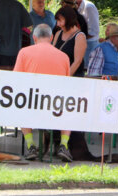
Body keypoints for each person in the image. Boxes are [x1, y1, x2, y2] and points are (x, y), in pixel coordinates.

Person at [14, 24, 73, 162]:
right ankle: (64, 144)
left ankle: (30, 145)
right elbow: (67, 84)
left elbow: (15, 80)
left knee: (20, 103)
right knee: (70, 105)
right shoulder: (64, 57)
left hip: (32, 105)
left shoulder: (24, 52)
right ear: (52, 38)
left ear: (34, 37)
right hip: (56, 107)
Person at [52, 6, 87, 77]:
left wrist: (66, 77)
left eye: (60, 21)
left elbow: (77, 61)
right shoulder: (58, 33)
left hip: (73, 77)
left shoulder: (80, 36)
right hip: (59, 74)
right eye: (57, 21)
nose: (58, 24)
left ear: (68, 20)